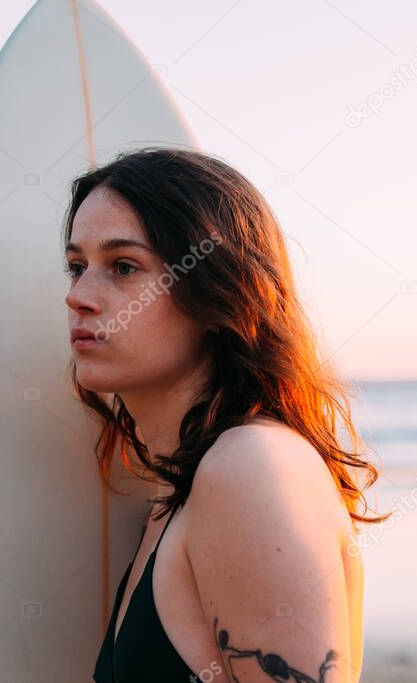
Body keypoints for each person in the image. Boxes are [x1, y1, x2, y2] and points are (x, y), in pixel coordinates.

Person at [62, 147, 388, 683]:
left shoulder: (249, 466)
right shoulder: (175, 491)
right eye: (77, 267)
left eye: (123, 267)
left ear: (218, 291)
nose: (79, 296)